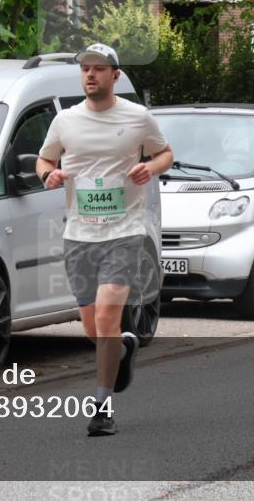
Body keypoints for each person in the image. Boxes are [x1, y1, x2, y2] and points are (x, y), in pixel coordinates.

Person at [37, 43, 173, 437]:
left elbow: (166, 153)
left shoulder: (137, 117)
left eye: (99, 69)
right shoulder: (65, 121)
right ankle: (123, 349)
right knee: (94, 329)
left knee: (108, 315)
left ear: (115, 76)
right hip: (79, 234)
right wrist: (50, 175)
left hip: (124, 230)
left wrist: (151, 166)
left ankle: (101, 406)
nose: (90, 75)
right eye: (85, 69)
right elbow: (44, 160)